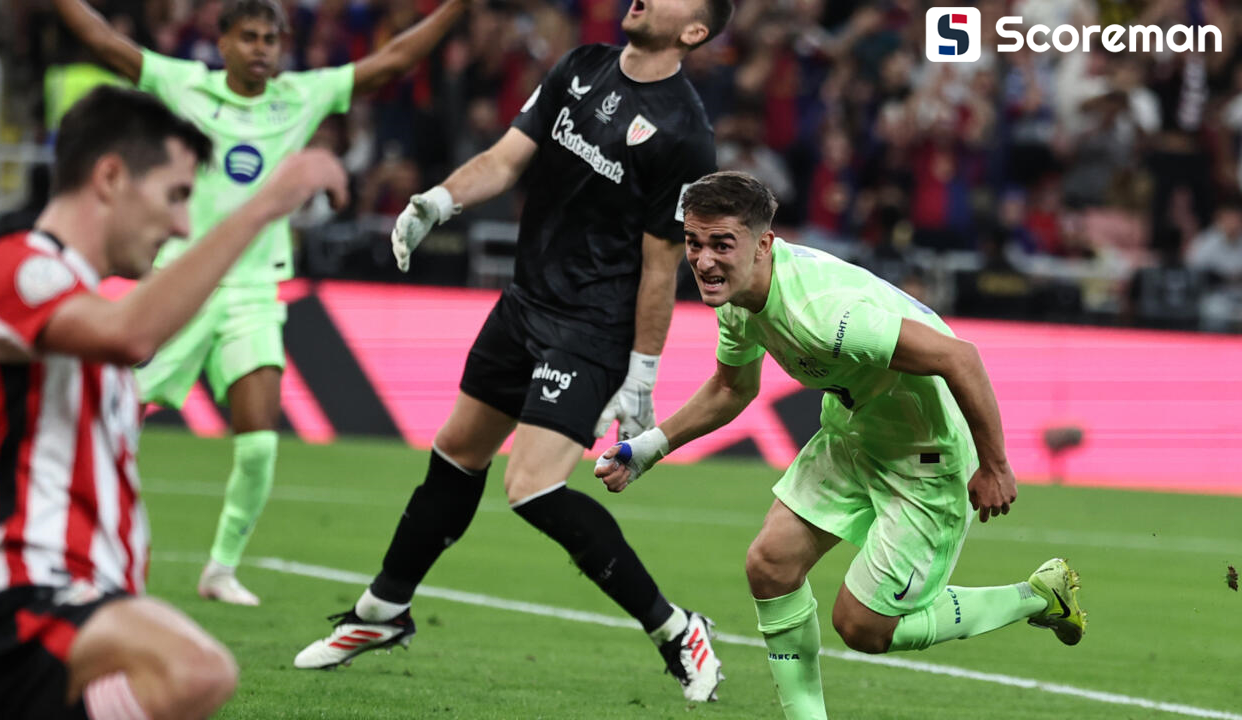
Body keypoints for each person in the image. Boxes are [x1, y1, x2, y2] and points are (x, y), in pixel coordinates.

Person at [293, 0, 733, 702]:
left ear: (694, 31)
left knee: (530, 487)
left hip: (590, 328)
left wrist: (641, 374)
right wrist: (438, 201)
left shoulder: (685, 133)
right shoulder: (581, 66)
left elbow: (660, 266)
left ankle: (678, 629)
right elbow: (506, 158)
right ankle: (382, 612)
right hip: (524, 304)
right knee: (456, 452)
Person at [595, 171, 1088, 719]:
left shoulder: (823, 314)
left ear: (763, 245)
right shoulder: (738, 299)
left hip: (924, 452)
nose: (703, 260)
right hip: (854, 432)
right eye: (694, 242)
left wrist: (994, 465)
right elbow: (732, 388)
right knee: (770, 566)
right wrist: (647, 449)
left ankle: (1038, 596)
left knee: (862, 627)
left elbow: (960, 357)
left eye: (721, 244)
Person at [52, 0, 470, 606]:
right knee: (113, 420)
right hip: (180, 285)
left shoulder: (300, 96)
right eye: (248, 37)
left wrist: (456, 8)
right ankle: (73, 547)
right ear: (222, 42)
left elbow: (393, 61)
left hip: (253, 291)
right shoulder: (183, 84)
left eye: (270, 39)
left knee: (259, 442)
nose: (261, 50)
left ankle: (220, 570)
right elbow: (103, 42)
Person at [0, 86, 345, 720]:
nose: (183, 224)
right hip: (20, 595)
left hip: (82, 597)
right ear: (110, 177)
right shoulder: (20, 268)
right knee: (196, 670)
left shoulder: (80, 306)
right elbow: (130, 334)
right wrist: (263, 207)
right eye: (175, 196)